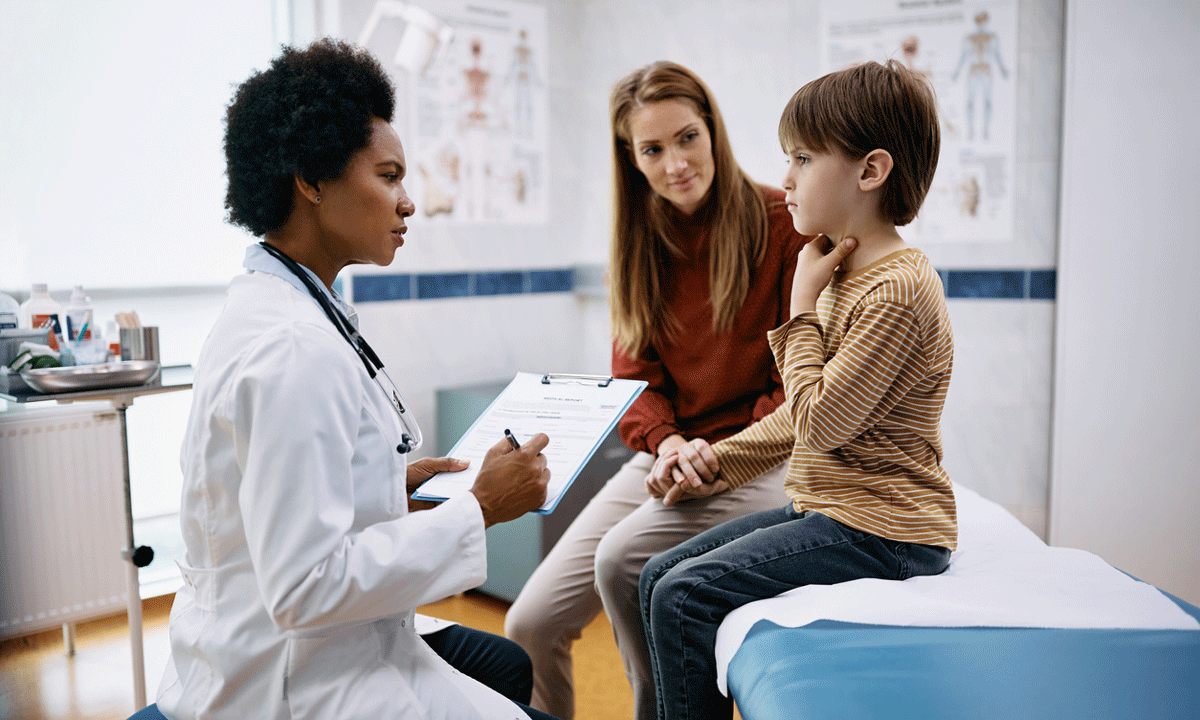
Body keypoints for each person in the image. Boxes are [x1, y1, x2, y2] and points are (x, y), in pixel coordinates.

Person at [155, 39, 561, 720]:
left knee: (505, 672)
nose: (408, 204)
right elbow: (305, 587)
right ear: (312, 180)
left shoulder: (285, 304)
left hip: (307, 645)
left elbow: (283, 491)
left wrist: (382, 488)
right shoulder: (292, 347)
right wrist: (479, 508)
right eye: (390, 176)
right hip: (289, 684)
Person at [639, 59, 958, 720]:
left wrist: (801, 307)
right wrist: (713, 466)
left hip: (886, 530)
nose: (785, 178)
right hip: (832, 509)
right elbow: (798, 419)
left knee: (683, 596)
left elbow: (817, 424)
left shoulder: (895, 289)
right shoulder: (846, 271)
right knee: (653, 578)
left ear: (870, 172)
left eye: (803, 158)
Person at [504, 60, 812, 720]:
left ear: (713, 131)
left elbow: (796, 387)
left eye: (687, 137)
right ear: (631, 158)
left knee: (621, 562)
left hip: (761, 455)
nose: (675, 163)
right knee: (529, 623)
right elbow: (635, 379)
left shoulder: (783, 223)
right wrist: (669, 442)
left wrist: (718, 458)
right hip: (671, 451)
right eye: (653, 148)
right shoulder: (640, 241)